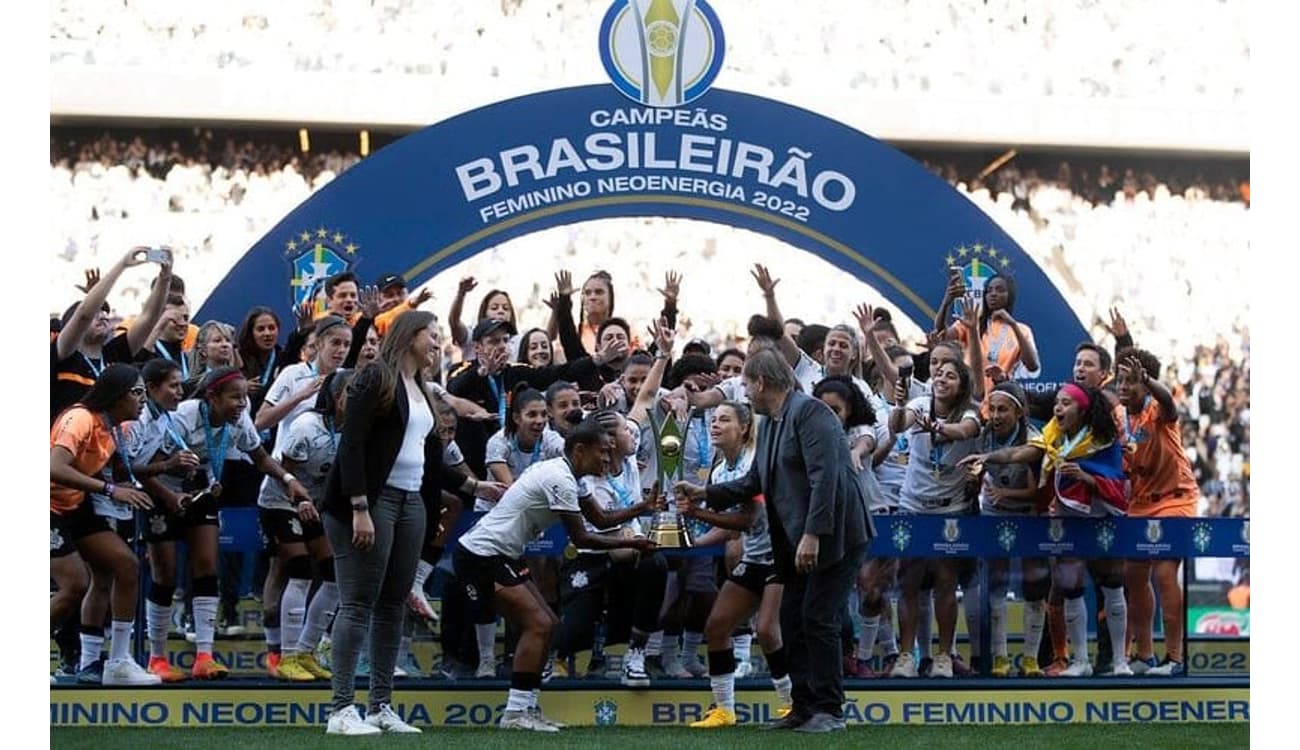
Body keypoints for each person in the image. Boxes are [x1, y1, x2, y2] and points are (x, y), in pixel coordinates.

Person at [676, 349, 873, 733]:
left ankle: (830, 710)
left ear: (761, 382)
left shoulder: (811, 413)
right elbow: (755, 483)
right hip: (795, 541)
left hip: (836, 538)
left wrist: (813, 535)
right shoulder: (769, 423)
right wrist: (703, 493)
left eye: (746, 383)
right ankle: (802, 707)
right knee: (791, 617)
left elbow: (825, 478)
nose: (745, 391)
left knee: (818, 618)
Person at [319, 310, 494, 736]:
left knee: (394, 604)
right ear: (409, 335)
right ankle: (342, 709)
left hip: (411, 500)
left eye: (438, 337)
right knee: (359, 602)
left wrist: (474, 486)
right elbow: (353, 444)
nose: (437, 343)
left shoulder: (423, 388)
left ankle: (380, 705)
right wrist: (359, 505)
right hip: (368, 501)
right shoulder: (376, 377)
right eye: (431, 335)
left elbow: (429, 457)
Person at [453, 414, 659, 732]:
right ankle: (516, 712)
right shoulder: (560, 478)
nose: (607, 458)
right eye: (602, 451)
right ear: (579, 449)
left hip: (499, 554)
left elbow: (602, 519)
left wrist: (641, 509)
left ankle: (526, 708)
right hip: (481, 556)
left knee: (547, 624)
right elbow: (583, 538)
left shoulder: (569, 476)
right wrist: (636, 543)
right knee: (539, 623)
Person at [135, 366, 314, 680]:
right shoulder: (183, 415)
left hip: (201, 488)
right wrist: (168, 495)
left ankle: (204, 656)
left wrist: (287, 479)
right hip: (158, 488)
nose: (242, 404)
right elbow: (142, 468)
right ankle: (157, 659)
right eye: (235, 397)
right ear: (212, 397)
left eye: (245, 397)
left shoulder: (239, 418)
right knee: (164, 574)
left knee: (207, 566)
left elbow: (259, 456)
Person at [960, 383, 1132, 678]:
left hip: (1102, 520)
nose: (1058, 408)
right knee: (1071, 588)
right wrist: (987, 460)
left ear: (1083, 409)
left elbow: (1118, 485)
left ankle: (1120, 662)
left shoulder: (1104, 441)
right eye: (1057, 403)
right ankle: (1080, 661)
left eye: (1066, 403)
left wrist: (1088, 479)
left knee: (1112, 585)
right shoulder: (1051, 439)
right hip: (1066, 520)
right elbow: (1019, 456)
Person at [680, 401, 794, 728]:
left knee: (767, 630)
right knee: (716, 626)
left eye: (724, 420)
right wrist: (693, 543)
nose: (715, 425)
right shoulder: (718, 472)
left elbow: (747, 519)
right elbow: (730, 528)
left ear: (743, 428)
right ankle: (725, 710)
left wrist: (698, 512)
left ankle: (791, 704)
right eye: (713, 420)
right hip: (755, 556)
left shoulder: (753, 463)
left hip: (780, 556)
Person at [50, 363, 159, 686]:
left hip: (75, 504)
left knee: (126, 565)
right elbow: (52, 467)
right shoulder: (80, 418)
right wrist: (111, 490)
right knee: (74, 584)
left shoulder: (115, 427)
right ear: (115, 395)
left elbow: (126, 469)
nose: (143, 399)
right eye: (137, 392)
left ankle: (119, 663)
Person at [259, 369, 354, 682]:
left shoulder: (352, 430)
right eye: (349, 393)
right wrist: (299, 500)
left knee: (334, 576)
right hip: (281, 502)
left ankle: (305, 652)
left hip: (315, 505)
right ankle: (286, 657)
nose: (354, 400)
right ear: (334, 395)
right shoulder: (306, 427)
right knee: (299, 568)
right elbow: (282, 471)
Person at [1117, 348, 1198, 676]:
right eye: (1120, 380)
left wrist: (1148, 381)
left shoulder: (1159, 411)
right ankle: (1145, 655)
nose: (1122, 387)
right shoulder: (1118, 416)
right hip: (1140, 502)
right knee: (1134, 576)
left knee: (1164, 574)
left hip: (1176, 499)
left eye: (1130, 382)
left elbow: (1170, 402)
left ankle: (1175, 658)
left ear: (1145, 385)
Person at [971, 382, 1050, 677]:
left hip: (1028, 516)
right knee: (997, 585)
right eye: (992, 409)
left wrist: (1007, 494)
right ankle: (1000, 658)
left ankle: (1030, 659)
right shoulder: (982, 436)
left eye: (1002, 409)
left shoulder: (1034, 439)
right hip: (994, 515)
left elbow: (1024, 470)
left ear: (1019, 411)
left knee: (1034, 586)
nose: (995, 415)